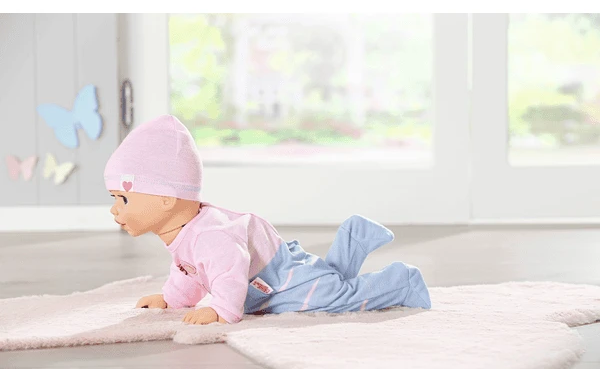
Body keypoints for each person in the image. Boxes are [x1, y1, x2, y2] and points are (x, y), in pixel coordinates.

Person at [104, 115, 432, 325]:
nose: (115, 210)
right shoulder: (185, 232)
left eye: (124, 199)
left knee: (331, 298)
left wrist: (221, 310)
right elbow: (190, 269)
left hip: (279, 280)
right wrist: (173, 300)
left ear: (166, 198)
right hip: (267, 278)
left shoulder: (210, 236)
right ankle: (354, 238)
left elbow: (228, 271)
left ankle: (401, 282)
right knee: (325, 283)